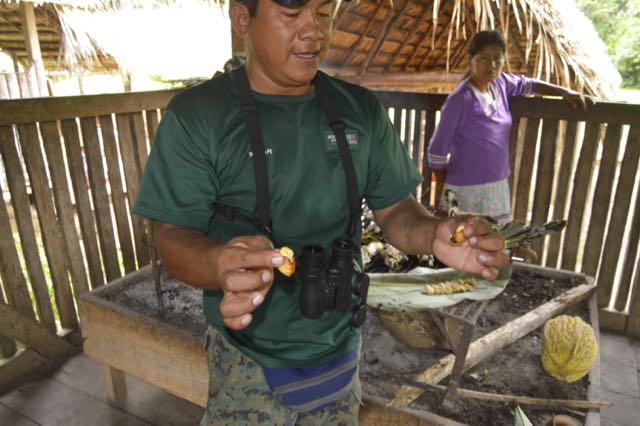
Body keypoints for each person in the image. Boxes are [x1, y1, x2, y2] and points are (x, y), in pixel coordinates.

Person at [133, 1, 509, 424]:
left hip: (342, 348)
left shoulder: (359, 109)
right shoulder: (199, 116)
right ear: (242, 19)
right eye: (292, 13)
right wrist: (218, 263)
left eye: (324, 13)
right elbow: (172, 235)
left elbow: (396, 211)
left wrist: (433, 234)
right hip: (246, 361)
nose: (314, 31)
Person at [427, 30, 595, 223]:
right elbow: (437, 151)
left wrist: (564, 92)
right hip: (463, 189)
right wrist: (444, 189)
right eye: (484, 58)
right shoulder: (461, 99)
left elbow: (530, 85)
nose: (491, 65)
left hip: (497, 185)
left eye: (497, 59)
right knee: (459, 237)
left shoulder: (501, 84)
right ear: (470, 60)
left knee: (496, 236)